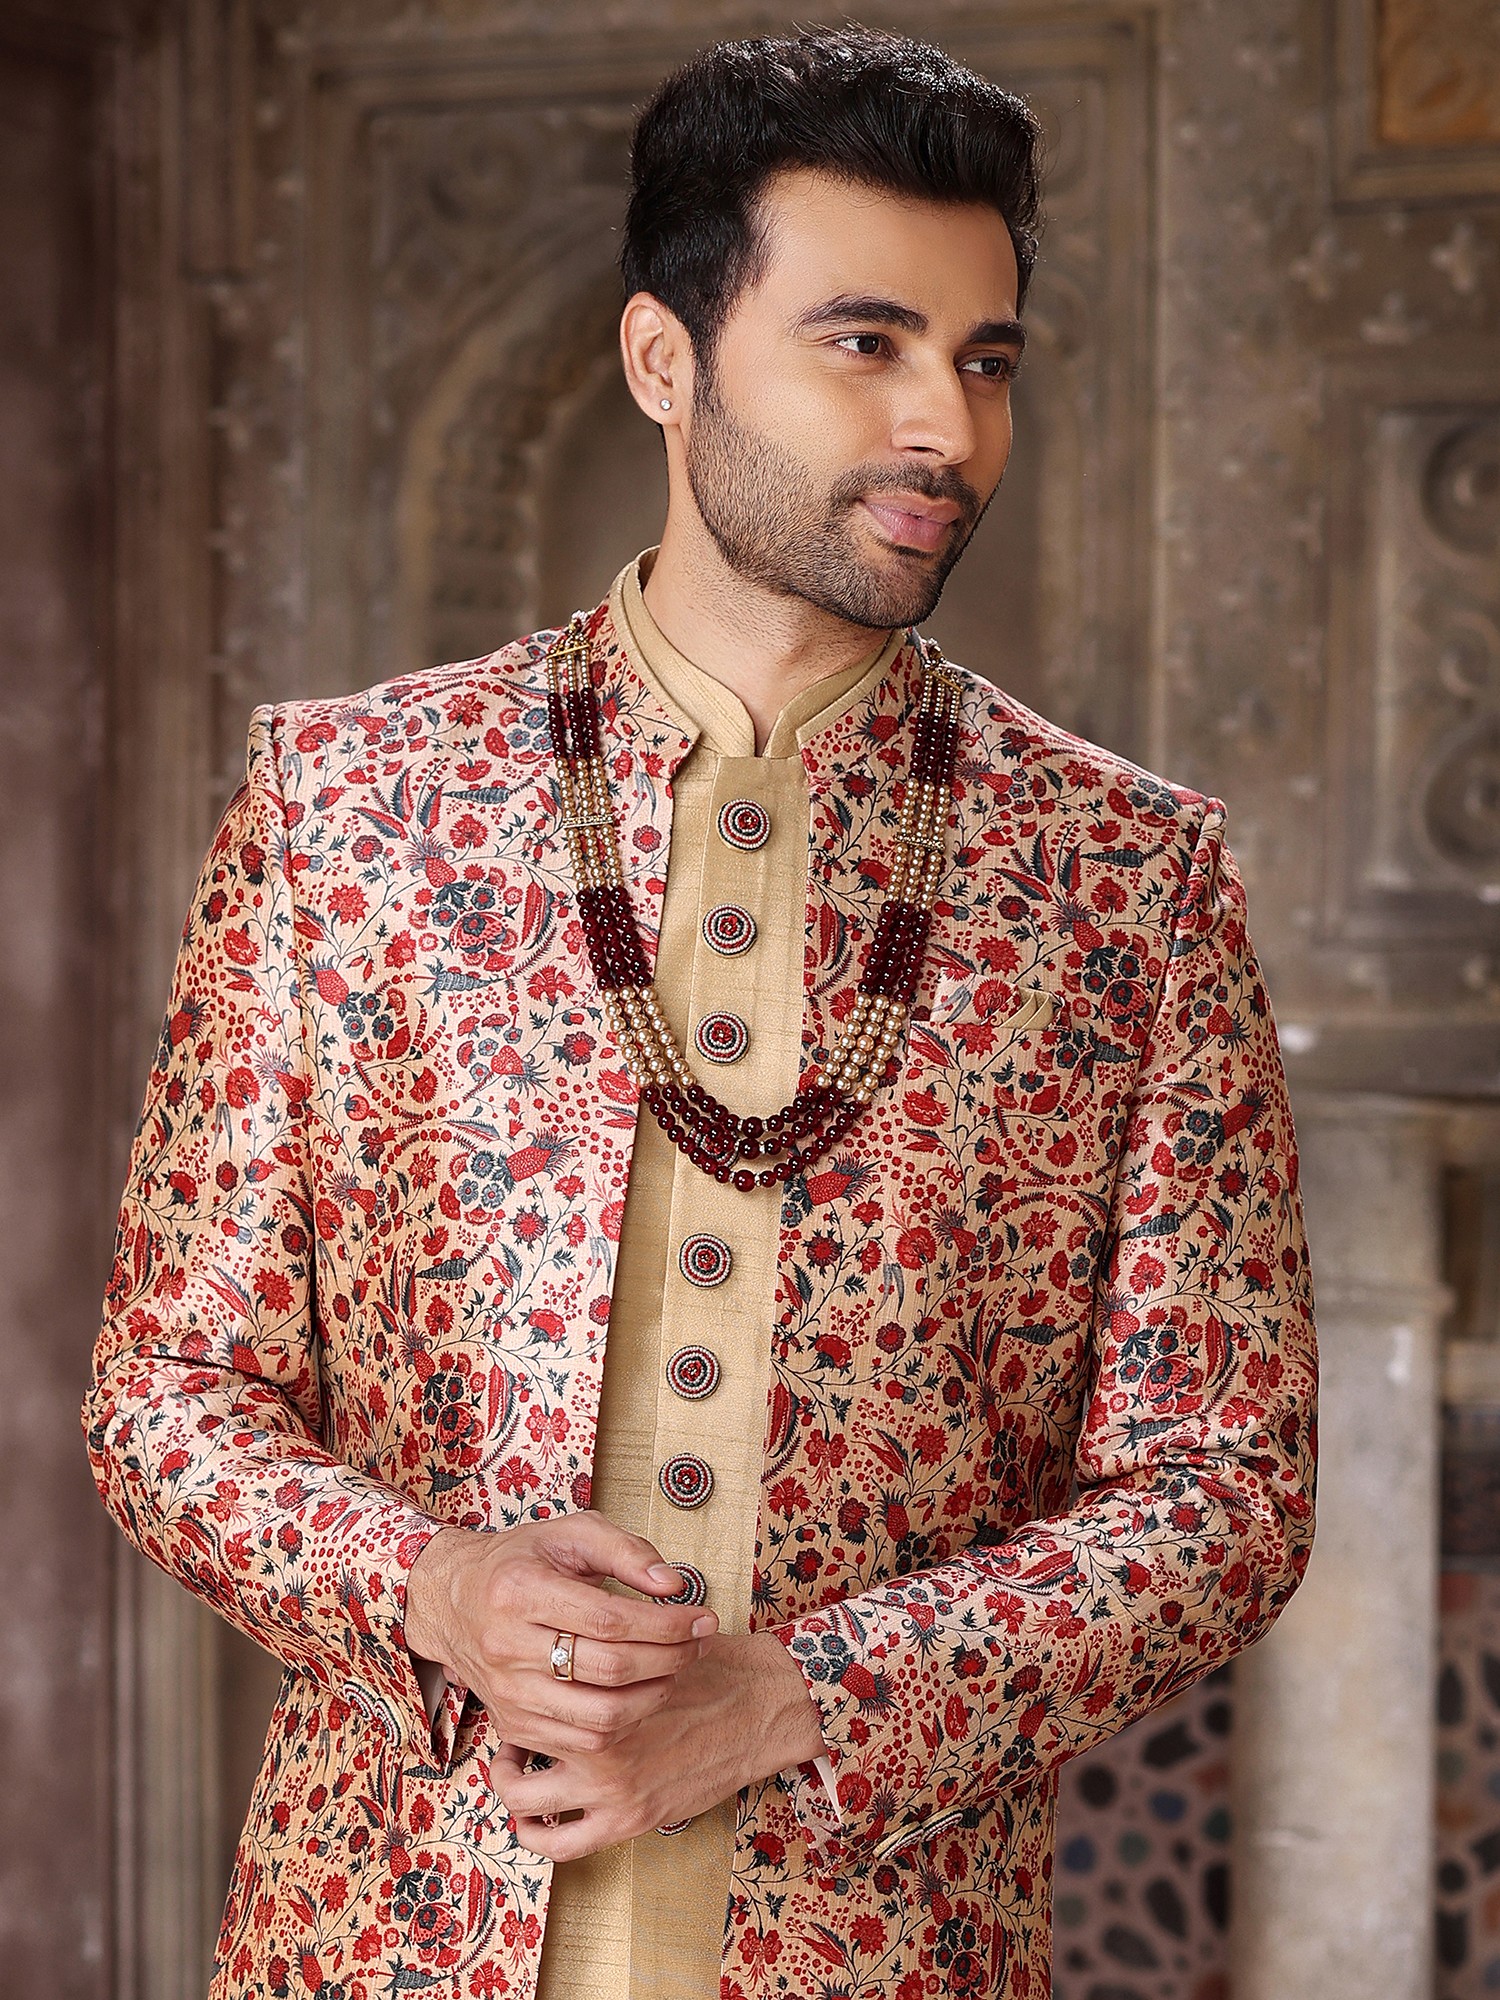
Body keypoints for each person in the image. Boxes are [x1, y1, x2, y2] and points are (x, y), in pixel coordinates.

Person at [85, 25, 1316, 2000]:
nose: (944, 427)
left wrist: (804, 1697)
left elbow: (1225, 1493)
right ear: (665, 361)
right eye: (866, 343)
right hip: (387, 1942)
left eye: (986, 359)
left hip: (889, 1953)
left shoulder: (1123, 877)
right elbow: (165, 1396)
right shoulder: (352, 809)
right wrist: (437, 1587)